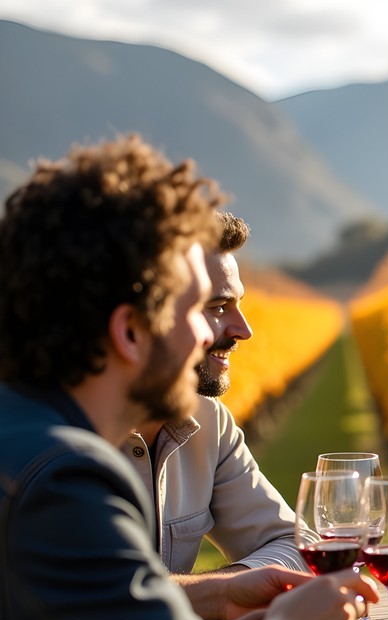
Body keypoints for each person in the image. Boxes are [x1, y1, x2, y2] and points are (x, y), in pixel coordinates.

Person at [0, 134, 377, 620]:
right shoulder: (63, 481)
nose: (218, 332)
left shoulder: (25, 439)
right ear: (128, 331)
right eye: (197, 311)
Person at [121, 210, 316, 573]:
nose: (244, 330)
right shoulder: (52, 440)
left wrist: (231, 586)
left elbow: (298, 548)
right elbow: (93, 604)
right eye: (217, 307)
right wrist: (220, 596)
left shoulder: (209, 424)